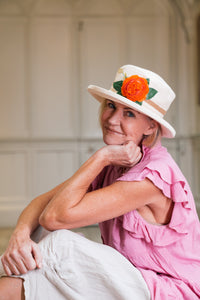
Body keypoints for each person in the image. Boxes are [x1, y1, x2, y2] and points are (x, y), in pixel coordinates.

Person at [0, 64, 200, 300]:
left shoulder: (152, 177)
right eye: (111, 106)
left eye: (129, 113)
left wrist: (101, 156)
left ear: (150, 126)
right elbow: (42, 203)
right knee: (21, 279)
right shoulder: (120, 161)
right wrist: (19, 238)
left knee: (60, 245)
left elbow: (53, 217)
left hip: (169, 291)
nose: (112, 119)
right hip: (128, 279)